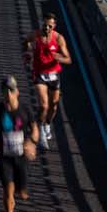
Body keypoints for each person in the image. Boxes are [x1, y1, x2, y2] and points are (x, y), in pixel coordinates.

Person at [0, 76, 39, 212]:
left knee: (22, 194)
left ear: (17, 92)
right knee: (8, 190)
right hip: (4, 157)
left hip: (21, 157)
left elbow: (35, 129)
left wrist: (31, 142)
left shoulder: (25, 110)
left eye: (11, 90)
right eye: (5, 91)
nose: (8, 94)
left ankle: (20, 188)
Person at [22, 14, 70, 150]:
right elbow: (25, 42)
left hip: (54, 75)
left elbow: (68, 59)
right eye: (45, 25)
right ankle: (41, 129)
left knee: (53, 106)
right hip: (39, 74)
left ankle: (47, 123)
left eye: (50, 26)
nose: (47, 28)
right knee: (44, 105)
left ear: (54, 26)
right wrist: (27, 53)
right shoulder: (36, 35)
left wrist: (59, 58)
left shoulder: (59, 38)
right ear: (42, 23)